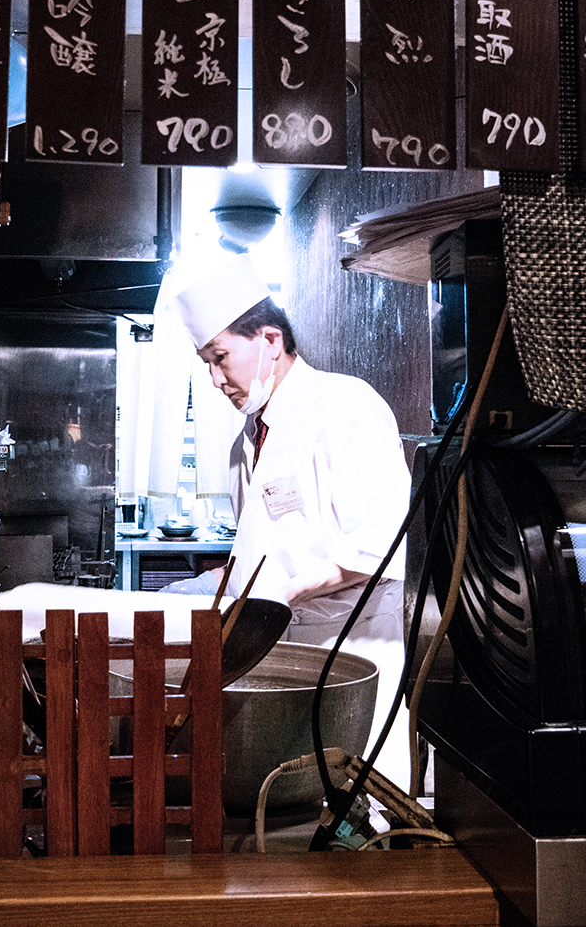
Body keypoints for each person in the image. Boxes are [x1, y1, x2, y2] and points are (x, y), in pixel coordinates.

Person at [163, 253, 413, 778]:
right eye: (205, 361)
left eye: (221, 357)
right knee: (287, 810)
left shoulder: (348, 409)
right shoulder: (243, 444)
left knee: (359, 805)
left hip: (354, 653)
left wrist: (278, 597)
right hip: (279, 659)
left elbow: (375, 549)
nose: (214, 378)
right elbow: (265, 546)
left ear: (271, 342)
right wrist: (220, 582)